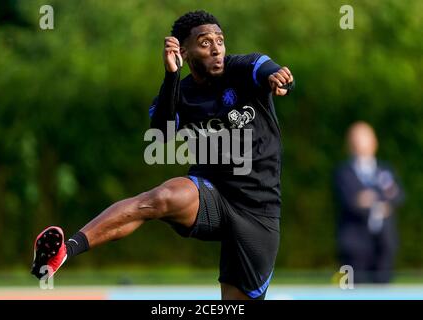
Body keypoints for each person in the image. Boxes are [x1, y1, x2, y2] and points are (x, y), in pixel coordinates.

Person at [31, 10, 295, 300]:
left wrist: (279, 78)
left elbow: (269, 69)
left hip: (259, 211)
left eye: (220, 40)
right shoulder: (178, 90)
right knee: (160, 197)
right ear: (183, 50)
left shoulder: (243, 68)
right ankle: (66, 251)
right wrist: (171, 76)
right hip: (212, 192)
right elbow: (162, 131)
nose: (217, 48)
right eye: (205, 42)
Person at [334, 121, 404, 283]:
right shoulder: (343, 172)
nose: (360, 143)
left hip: (384, 244)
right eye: (356, 139)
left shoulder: (385, 170)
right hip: (353, 246)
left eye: (364, 138)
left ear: (374, 141)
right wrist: (377, 201)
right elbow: (349, 201)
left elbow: (397, 195)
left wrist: (372, 201)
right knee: (351, 290)